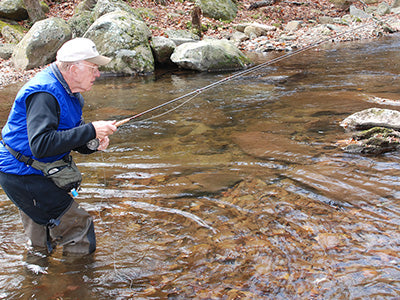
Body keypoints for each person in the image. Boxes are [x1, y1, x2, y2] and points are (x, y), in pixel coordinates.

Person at [0, 38, 117, 256]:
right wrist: (91, 130)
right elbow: (41, 145)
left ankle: (42, 284)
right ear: (73, 69)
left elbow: (70, 136)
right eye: (93, 68)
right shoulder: (44, 94)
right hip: (23, 174)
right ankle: (76, 285)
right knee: (79, 228)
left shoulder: (71, 93)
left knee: (39, 242)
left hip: (28, 171)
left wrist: (92, 142)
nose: (98, 74)